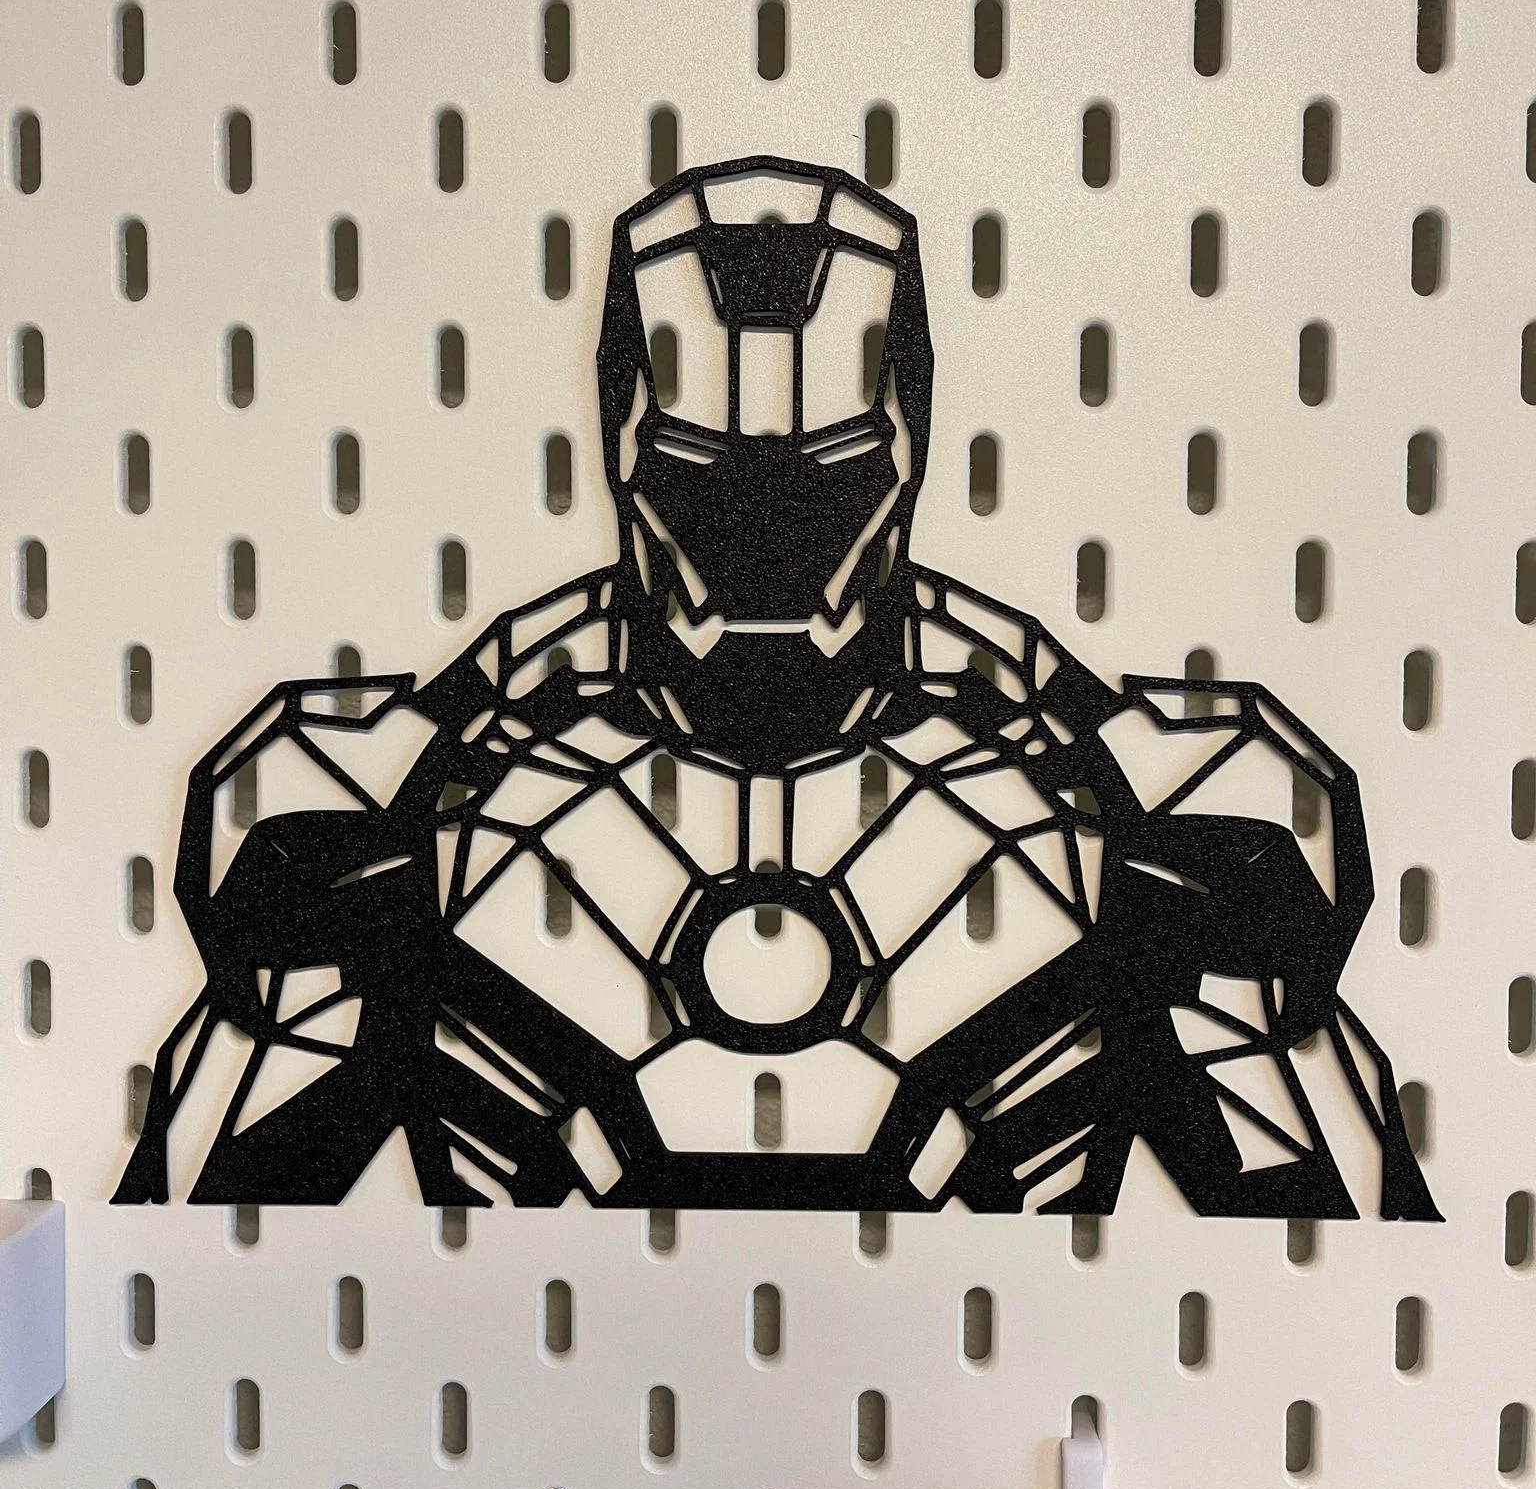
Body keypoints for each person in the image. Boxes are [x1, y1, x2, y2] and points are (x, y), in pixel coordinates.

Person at [116, 156, 1438, 1221]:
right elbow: (191, 1267)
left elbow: (1333, 1263)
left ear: (905, 432)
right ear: (626, 428)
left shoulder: (1140, 796)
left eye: (820, 460)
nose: (765, 511)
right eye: (710, 454)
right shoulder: (395, 791)